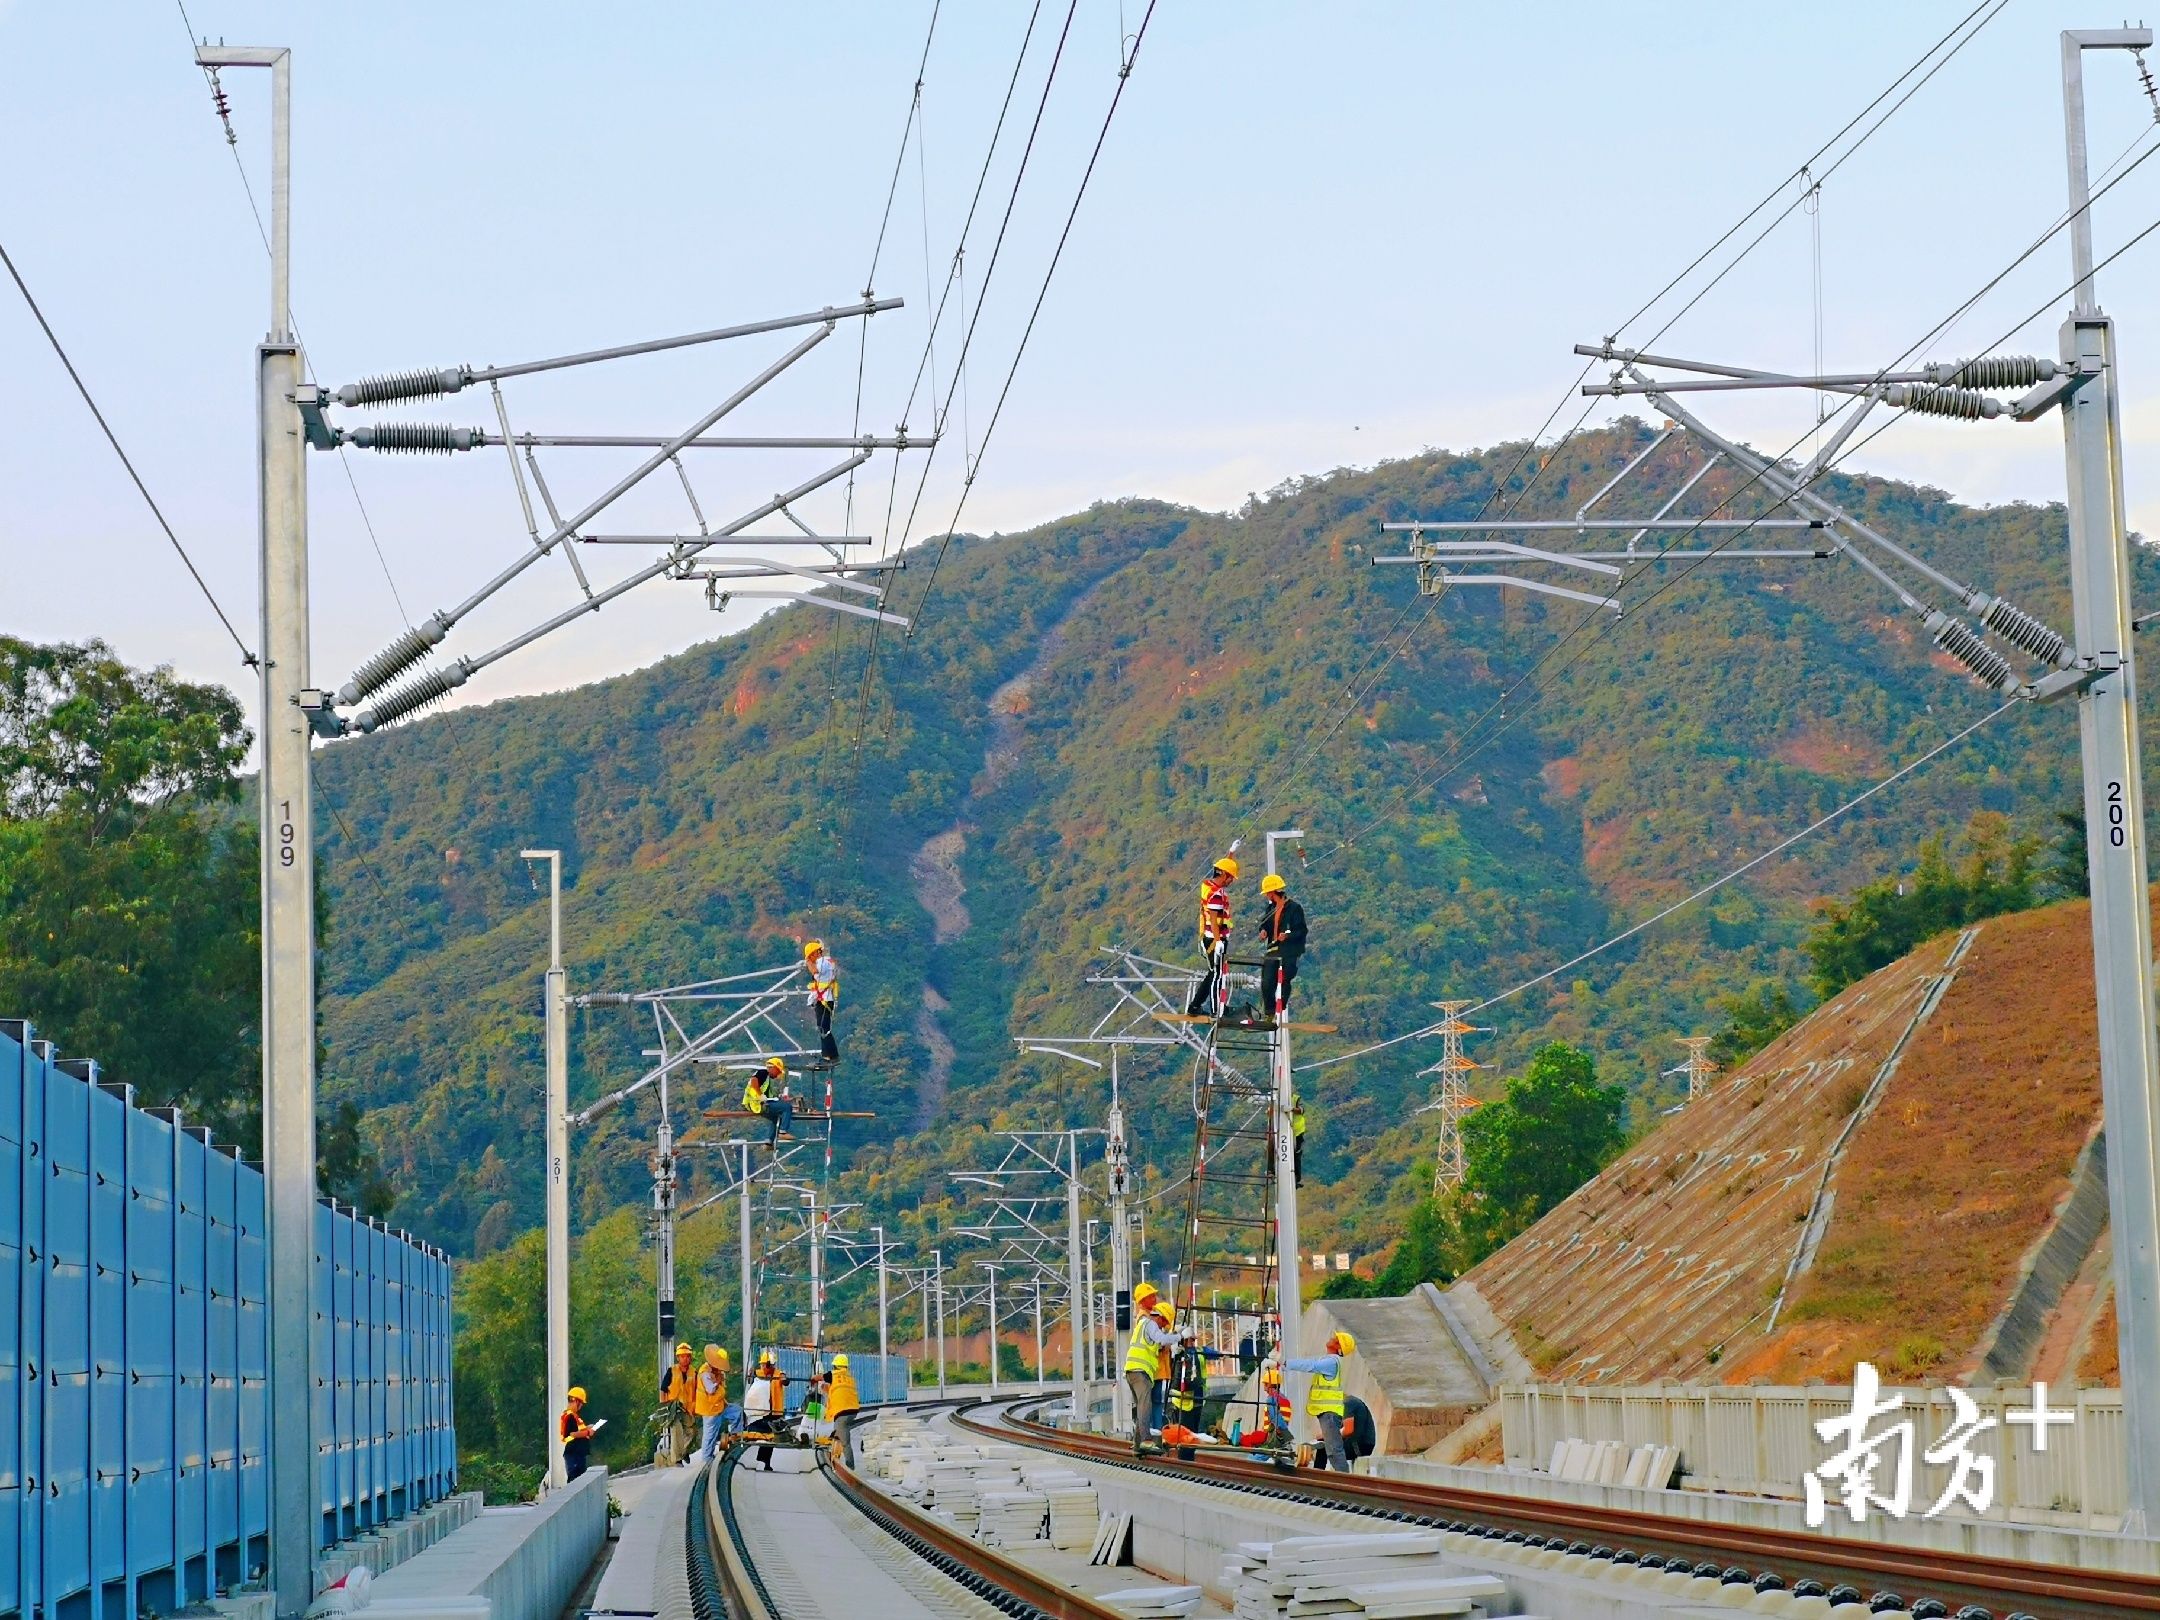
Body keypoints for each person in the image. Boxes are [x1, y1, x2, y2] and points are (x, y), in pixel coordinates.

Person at [1283, 1329, 1358, 1472]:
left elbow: (1311, 1365)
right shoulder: (1331, 1361)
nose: (1331, 1338)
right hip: (1328, 1413)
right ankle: (1343, 1480)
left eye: (1335, 1339)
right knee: (1332, 1449)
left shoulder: (1331, 1362)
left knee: (1334, 1450)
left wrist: (1288, 1364)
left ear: (1338, 1347)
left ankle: (1345, 1482)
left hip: (1329, 1413)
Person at [1122, 1282, 1179, 1455]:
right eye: (1164, 1322)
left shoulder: (1144, 1321)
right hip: (1140, 1371)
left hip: (1134, 1370)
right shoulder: (1148, 1322)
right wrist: (1178, 1337)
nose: (1154, 1299)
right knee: (1145, 1405)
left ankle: (1139, 1444)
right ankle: (1146, 1440)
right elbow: (1160, 1339)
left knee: (1142, 1405)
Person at [1184, 855, 1239, 1016]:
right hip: (1215, 939)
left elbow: (1223, 866)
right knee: (1217, 975)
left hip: (1211, 938)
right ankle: (1217, 1009)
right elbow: (1214, 920)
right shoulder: (1216, 894)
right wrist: (1218, 941)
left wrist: (1230, 854)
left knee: (1213, 973)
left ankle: (1195, 1006)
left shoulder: (1208, 886)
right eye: (1230, 878)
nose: (1231, 881)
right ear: (1223, 875)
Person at [1255, 872, 1308, 1020]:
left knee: (1285, 978)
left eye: (1268, 893)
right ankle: (1270, 1012)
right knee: (1267, 982)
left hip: (1289, 950)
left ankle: (1280, 1007)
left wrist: (1288, 936)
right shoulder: (1270, 909)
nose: (1267, 896)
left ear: (1273, 892)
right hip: (1273, 949)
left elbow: (1302, 930)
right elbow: (1263, 925)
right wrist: (1263, 931)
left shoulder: (1294, 908)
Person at [743, 1349, 789, 1471]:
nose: (763, 1367)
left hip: (774, 1412)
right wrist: (750, 1374)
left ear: (771, 1365)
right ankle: (763, 1460)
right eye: (762, 1365)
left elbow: (785, 1381)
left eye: (765, 1365)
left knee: (770, 1437)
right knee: (764, 1435)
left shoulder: (779, 1374)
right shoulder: (758, 1374)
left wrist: (784, 1379)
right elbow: (750, 1380)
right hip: (761, 1411)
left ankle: (765, 1461)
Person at [659, 1341, 699, 1464]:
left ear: (690, 1357)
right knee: (676, 1431)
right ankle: (677, 1460)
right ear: (678, 1358)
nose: (685, 1359)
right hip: (673, 1407)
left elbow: (698, 1390)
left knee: (692, 1432)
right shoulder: (672, 1371)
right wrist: (664, 1404)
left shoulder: (694, 1372)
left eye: (687, 1356)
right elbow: (663, 1388)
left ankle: (683, 1452)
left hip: (687, 1407)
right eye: (682, 1356)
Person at [742, 1056, 795, 1147]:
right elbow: (754, 1081)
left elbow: (769, 1096)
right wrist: (760, 1095)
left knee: (776, 1117)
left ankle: (769, 1142)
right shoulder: (763, 1072)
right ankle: (783, 1132)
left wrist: (779, 1099)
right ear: (773, 1068)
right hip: (758, 1104)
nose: (777, 1074)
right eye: (778, 1071)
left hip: (757, 1104)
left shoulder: (767, 1080)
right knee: (787, 1107)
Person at [803, 939, 840, 1064]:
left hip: (824, 999)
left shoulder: (822, 962)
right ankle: (828, 1056)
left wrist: (808, 962)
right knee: (822, 1027)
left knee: (824, 1028)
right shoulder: (826, 962)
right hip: (822, 999)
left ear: (814, 954)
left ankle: (831, 1056)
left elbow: (814, 971)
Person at [694, 1344, 732, 1464]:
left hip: (718, 1406)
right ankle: (706, 1460)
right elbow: (710, 1390)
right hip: (709, 1409)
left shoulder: (714, 1372)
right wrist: (718, 1382)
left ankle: (736, 1441)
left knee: (736, 1413)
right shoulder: (705, 1373)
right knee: (709, 1434)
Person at [826, 1353, 863, 1467]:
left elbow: (819, 1377)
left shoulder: (833, 1374)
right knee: (838, 1434)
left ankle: (850, 1465)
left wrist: (813, 1378)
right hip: (852, 1411)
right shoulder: (849, 1378)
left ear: (835, 1366)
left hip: (841, 1412)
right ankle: (835, 1458)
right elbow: (840, 1393)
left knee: (845, 1441)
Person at [560, 1386, 597, 1481]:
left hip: (578, 1453)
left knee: (580, 1480)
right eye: (580, 1403)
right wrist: (588, 1432)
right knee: (575, 1480)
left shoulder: (574, 1416)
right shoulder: (570, 1416)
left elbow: (578, 1430)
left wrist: (587, 1428)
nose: (581, 1406)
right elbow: (572, 1434)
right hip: (574, 1454)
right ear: (575, 1400)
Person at [1291, 1095, 1308, 1189]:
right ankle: (1272, 1171)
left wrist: (1292, 1109)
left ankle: (1296, 1178)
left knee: (1296, 1154)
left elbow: (1301, 1110)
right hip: (1282, 1132)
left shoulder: (1295, 1098)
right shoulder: (1275, 1098)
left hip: (1297, 1133)